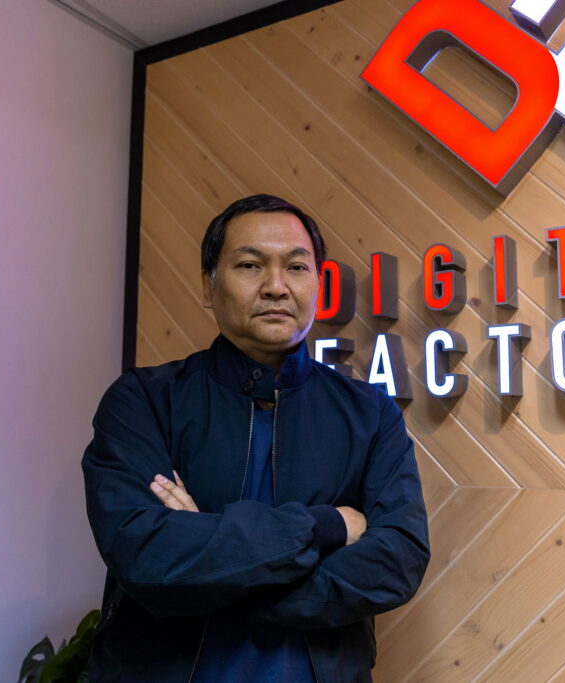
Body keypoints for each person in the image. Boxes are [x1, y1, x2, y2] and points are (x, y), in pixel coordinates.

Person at [80, 194, 430, 682]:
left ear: (318, 283)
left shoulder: (370, 414)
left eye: (296, 267)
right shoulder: (145, 400)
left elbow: (397, 561)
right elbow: (144, 553)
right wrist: (328, 525)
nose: (276, 287)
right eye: (250, 265)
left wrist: (213, 566)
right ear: (209, 286)